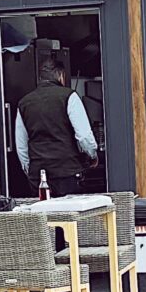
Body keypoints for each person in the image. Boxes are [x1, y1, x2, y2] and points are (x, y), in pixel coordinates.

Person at [14, 55, 100, 197]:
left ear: (40, 78)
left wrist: (31, 170)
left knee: (44, 217)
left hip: (39, 175)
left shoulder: (24, 103)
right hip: (67, 172)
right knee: (69, 216)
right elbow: (83, 135)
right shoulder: (69, 96)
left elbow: (21, 145)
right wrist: (92, 155)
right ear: (61, 75)